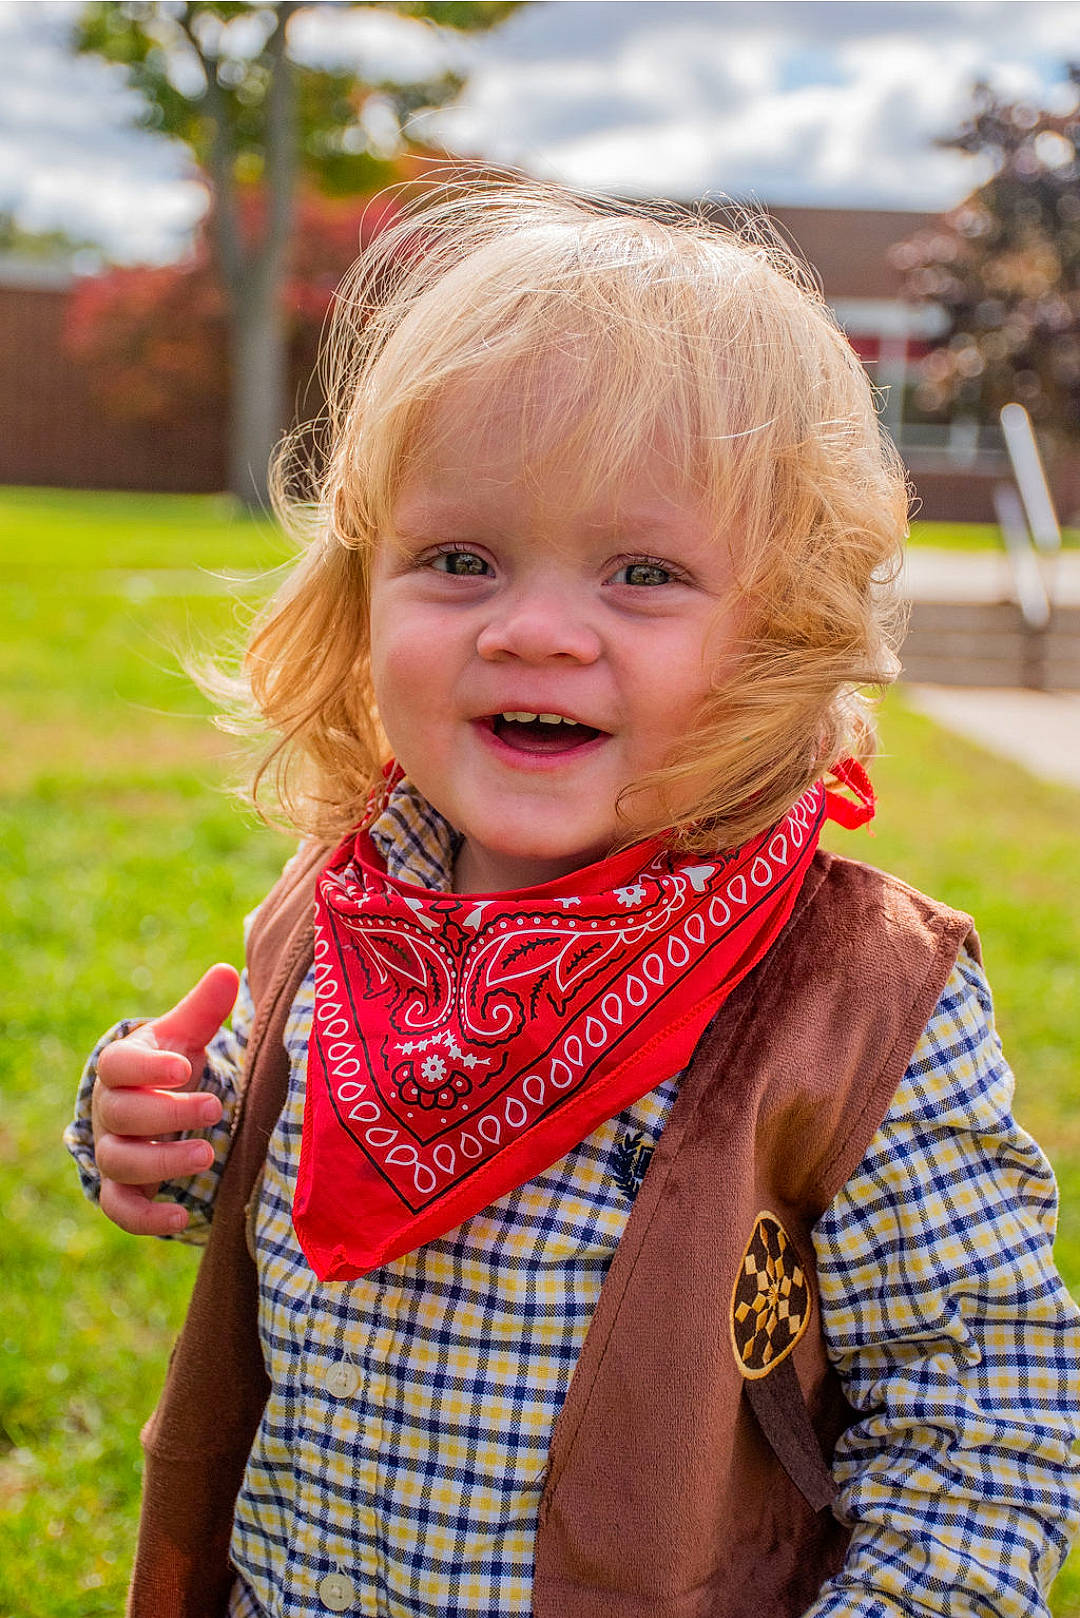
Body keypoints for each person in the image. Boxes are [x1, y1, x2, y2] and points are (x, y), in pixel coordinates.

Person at [66, 181, 1080, 1618]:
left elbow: (981, 1413)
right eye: (460, 559)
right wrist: (143, 1121)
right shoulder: (343, 908)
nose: (535, 628)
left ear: (781, 630)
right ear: (365, 591)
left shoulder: (862, 1002)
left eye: (643, 572)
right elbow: (233, 1138)